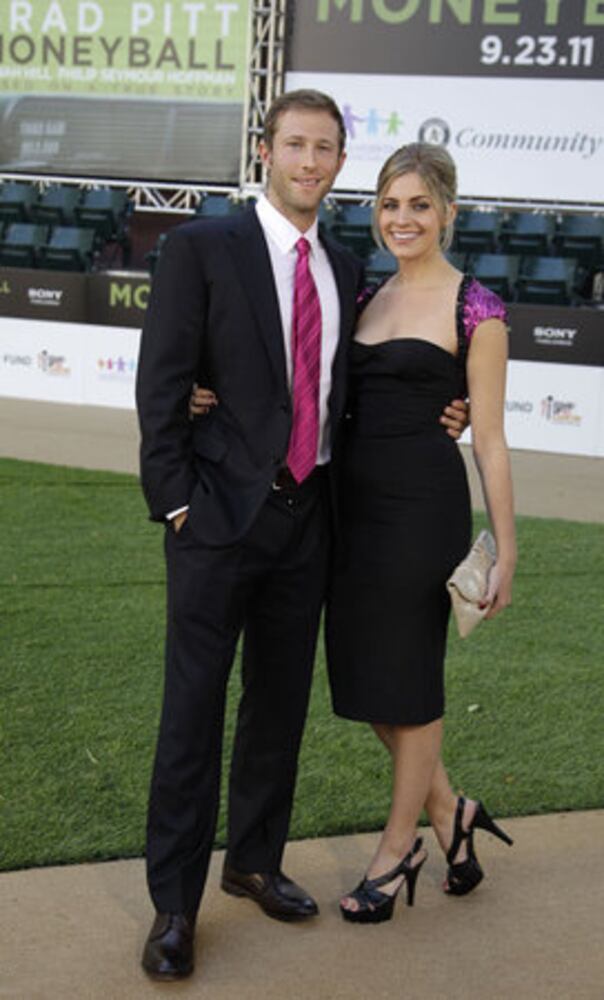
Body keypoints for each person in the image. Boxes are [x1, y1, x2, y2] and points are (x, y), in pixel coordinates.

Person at [136, 91, 467, 980]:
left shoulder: (347, 266)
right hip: (215, 520)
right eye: (295, 145)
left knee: (278, 707)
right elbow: (162, 384)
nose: (310, 162)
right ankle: (175, 906)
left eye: (325, 149)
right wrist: (176, 503)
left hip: (308, 517)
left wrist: (451, 406)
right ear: (266, 150)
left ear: (339, 163)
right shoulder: (203, 248)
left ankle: (254, 861)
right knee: (193, 711)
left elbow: (374, 377)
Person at [325, 142, 516, 923]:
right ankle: (451, 813)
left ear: (448, 213)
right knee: (364, 678)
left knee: (409, 679)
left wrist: (507, 548)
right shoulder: (365, 293)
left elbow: (491, 439)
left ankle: (397, 848)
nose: (401, 219)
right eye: (389, 205)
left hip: (420, 514)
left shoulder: (478, 308)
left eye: (418, 205)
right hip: (350, 514)